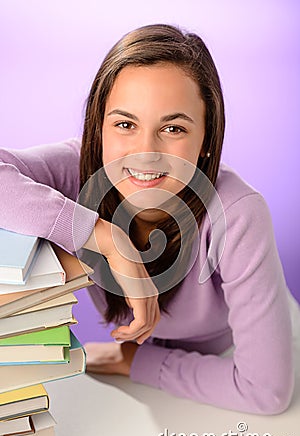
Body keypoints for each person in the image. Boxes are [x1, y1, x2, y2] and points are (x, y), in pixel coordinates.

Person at [0, 24, 298, 415]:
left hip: (238, 354)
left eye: (173, 128)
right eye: (125, 124)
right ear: (100, 128)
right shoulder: (80, 172)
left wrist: (135, 362)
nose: (145, 152)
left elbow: (266, 392)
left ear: (206, 140)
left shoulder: (239, 214)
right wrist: (105, 238)